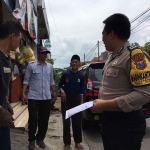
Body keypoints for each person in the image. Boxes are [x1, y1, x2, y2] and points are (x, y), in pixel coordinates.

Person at [91, 13, 150, 150]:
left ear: (111, 34)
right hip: (110, 121)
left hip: (126, 124)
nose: (102, 39)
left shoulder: (135, 56)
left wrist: (105, 104)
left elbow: (145, 94)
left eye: (103, 34)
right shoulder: (112, 57)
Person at [22, 47, 57, 150]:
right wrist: (23, 93)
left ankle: (40, 139)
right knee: (33, 119)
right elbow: (26, 79)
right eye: (43, 53)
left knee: (44, 119)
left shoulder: (50, 67)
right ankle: (31, 140)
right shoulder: (31, 66)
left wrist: (54, 92)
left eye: (46, 53)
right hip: (33, 97)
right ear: (38, 54)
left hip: (46, 97)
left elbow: (51, 81)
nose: (45, 55)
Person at [0, 20, 22, 150]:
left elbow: (3, 85)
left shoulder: (8, 59)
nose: (19, 42)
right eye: (19, 37)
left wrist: (7, 102)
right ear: (12, 36)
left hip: (2, 117)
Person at [58, 55, 84, 150]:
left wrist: (81, 101)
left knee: (77, 122)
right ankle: (67, 143)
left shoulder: (81, 76)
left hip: (76, 101)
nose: (74, 63)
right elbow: (59, 85)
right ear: (70, 63)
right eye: (73, 62)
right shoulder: (66, 74)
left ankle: (77, 142)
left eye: (76, 62)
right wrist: (61, 90)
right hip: (66, 101)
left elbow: (82, 89)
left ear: (79, 64)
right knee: (66, 123)